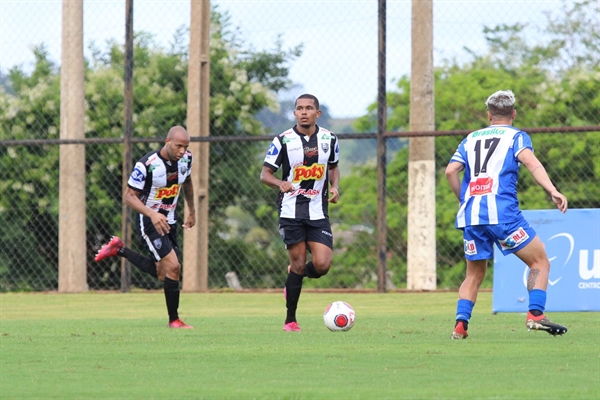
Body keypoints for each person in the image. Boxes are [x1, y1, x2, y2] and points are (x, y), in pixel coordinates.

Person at [445, 90, 568, 339]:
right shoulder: (517, 137)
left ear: (489, 115)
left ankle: (460, 325)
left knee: (474, 274)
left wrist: (464, 200)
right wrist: (553, 190)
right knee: (540, 261)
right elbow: (532, 163)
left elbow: (450, 171)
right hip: (504, 215)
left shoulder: (470, 139)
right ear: (513, 113)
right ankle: (535, 314)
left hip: (472, 216)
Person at [95, 125, 196, 329]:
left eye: (186, 147)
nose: (182, 151)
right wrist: (152, 214)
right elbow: (128, 197)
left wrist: (191, 210)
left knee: (163, 273)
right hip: (150, 222)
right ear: (167, 142)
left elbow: (187, 182)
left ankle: (119, 249)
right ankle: (174, 320)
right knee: (174, 267)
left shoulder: (186, 159)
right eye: (178, 146)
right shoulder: (147, 165)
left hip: (170, 220)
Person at [260, 94, 340, 332]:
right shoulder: (283, 140)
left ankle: (295, 276)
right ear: (294, 113)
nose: (304, 112)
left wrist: (334, 187)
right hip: (291, 211)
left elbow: (333, 167)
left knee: (322, 264)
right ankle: (291, 320)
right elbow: (265, 174)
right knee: (297, 264)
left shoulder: (329, 138)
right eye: (299, 108)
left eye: (309, 108)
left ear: (318, 113)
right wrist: (279, 183)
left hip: (318, 211)